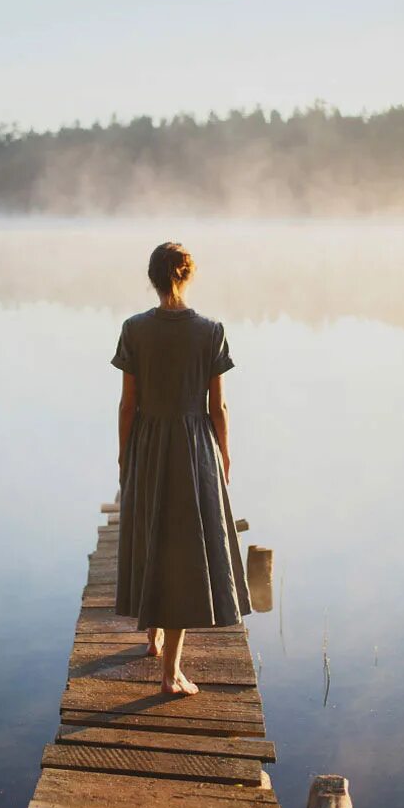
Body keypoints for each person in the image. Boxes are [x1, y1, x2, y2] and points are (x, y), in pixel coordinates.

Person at [110, 242, 251, 695]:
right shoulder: (210, 331)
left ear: (153, 279)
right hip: (193, 448)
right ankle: (171, 675)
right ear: (187, 277)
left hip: (148, 445)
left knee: (150, 532)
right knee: (184, 551)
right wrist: (224, 453)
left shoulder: (134, 329)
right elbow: (219, 405)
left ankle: (152, 642)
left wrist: (123, 453)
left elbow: (128, 404)